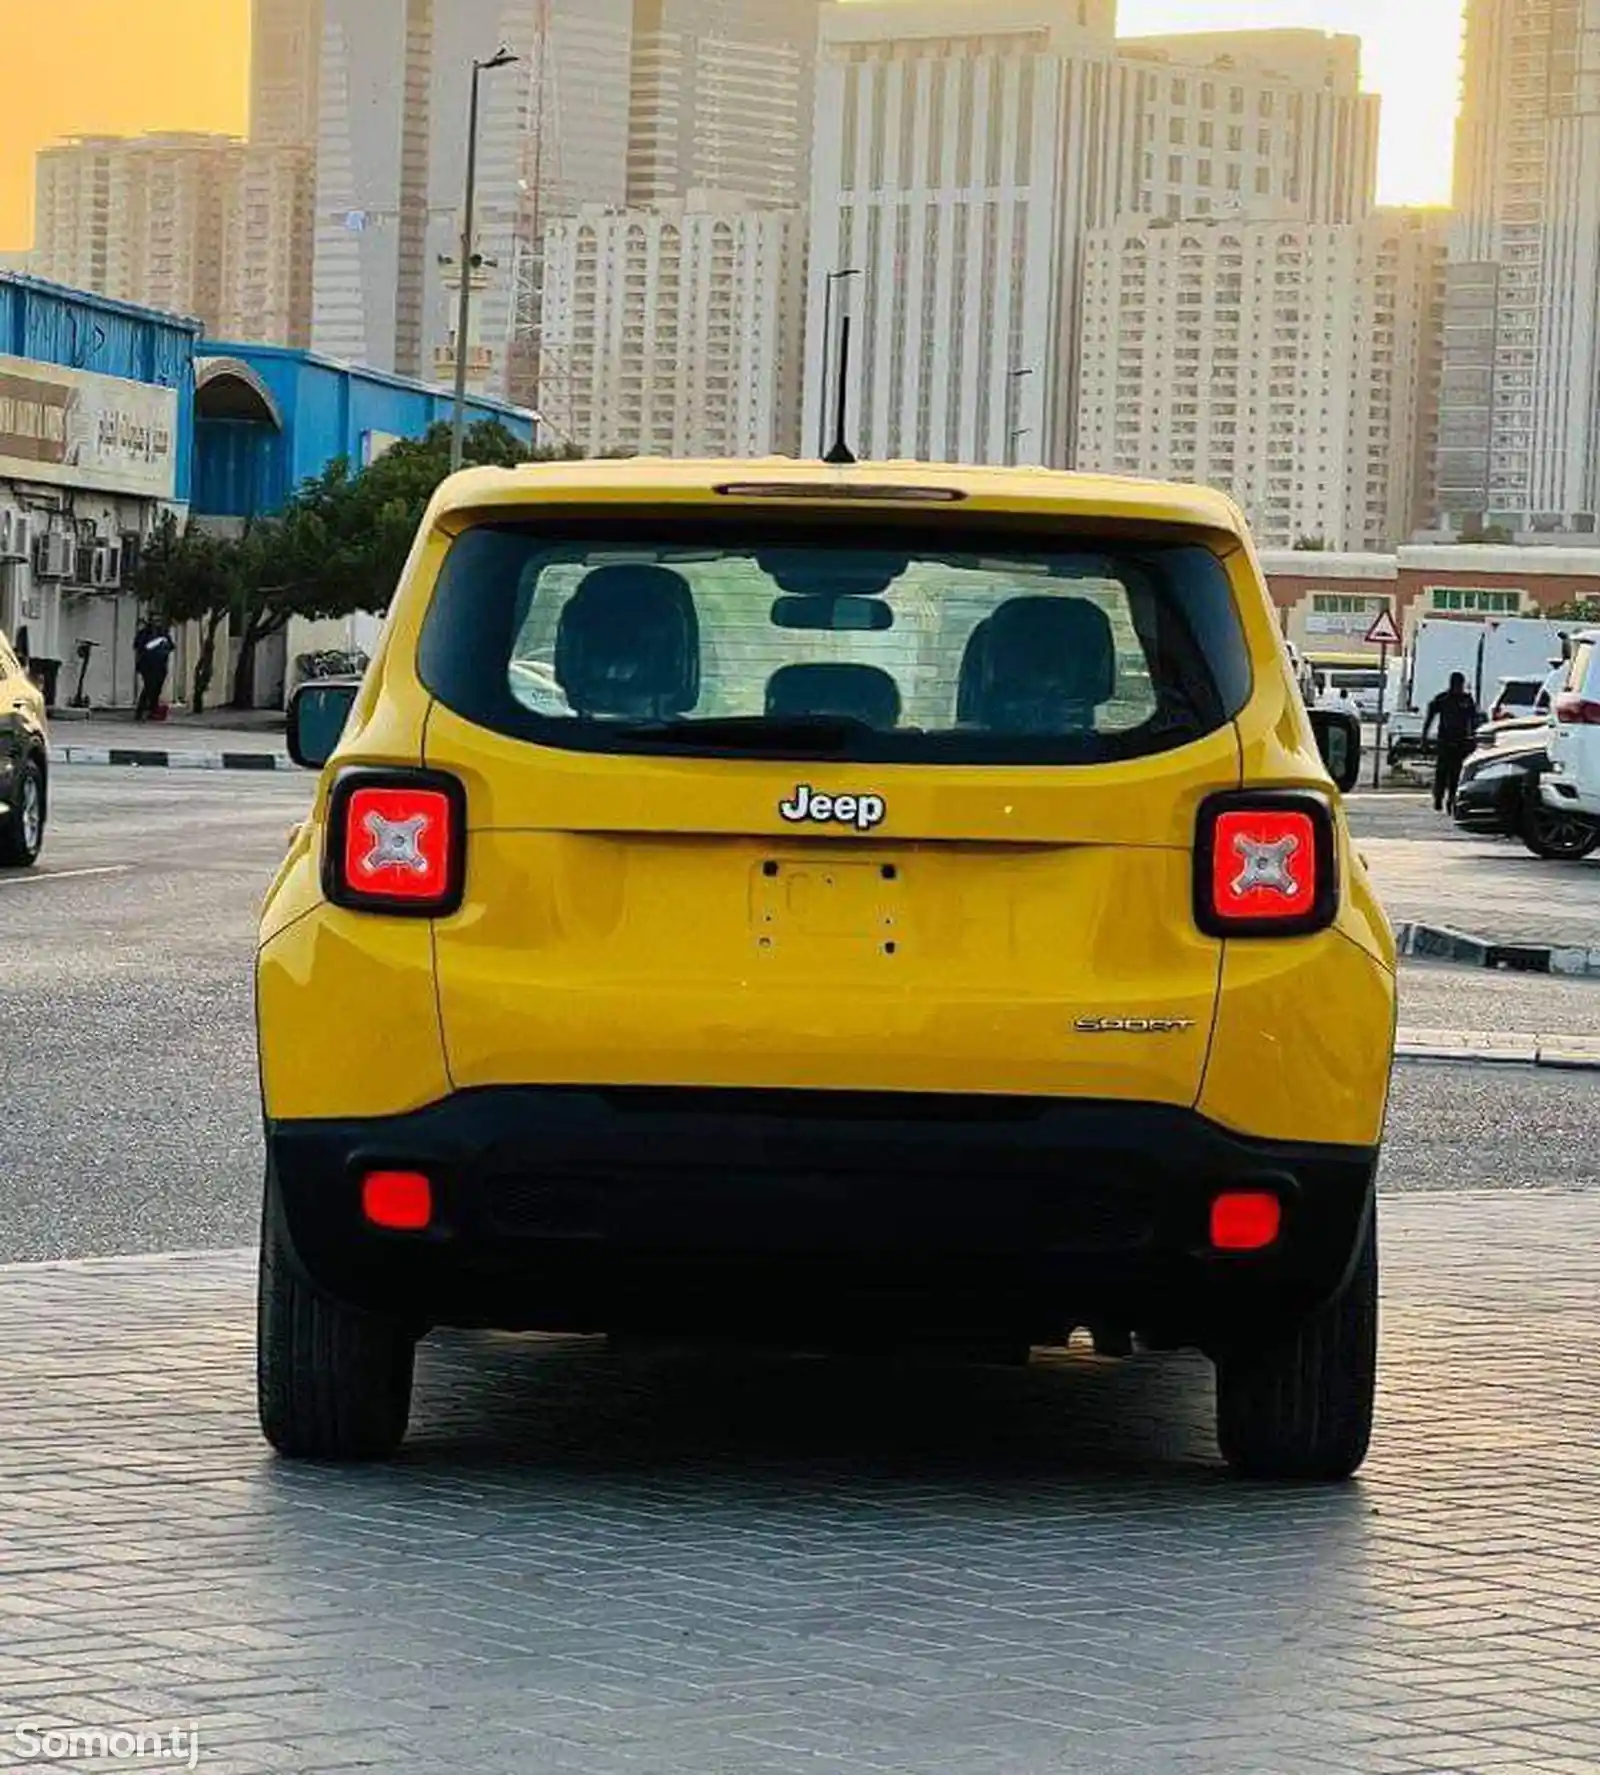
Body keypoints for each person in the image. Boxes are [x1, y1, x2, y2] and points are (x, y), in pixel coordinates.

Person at [1423, 670, 1480, 815]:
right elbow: (1430, 716)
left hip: (1461, 742)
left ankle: (1451, 800)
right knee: (1441, 772)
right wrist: (1424, 737)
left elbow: (1474, 720)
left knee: (1456, 774)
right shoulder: (1443, 699)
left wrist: (1474, 738)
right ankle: (1438, 797)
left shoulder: (1467, 700)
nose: (1458, 687)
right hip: (1444, 741)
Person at [134, 618, 175, 722]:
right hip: (147, 666)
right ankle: (140, 711)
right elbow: (137, 646)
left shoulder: (164, 634)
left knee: (156, 688)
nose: (157, 623)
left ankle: (152, 710)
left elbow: (171, 646)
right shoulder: (144, 634)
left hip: (160, 666)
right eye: (155, 621)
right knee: (148, 687)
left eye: (158, 621)